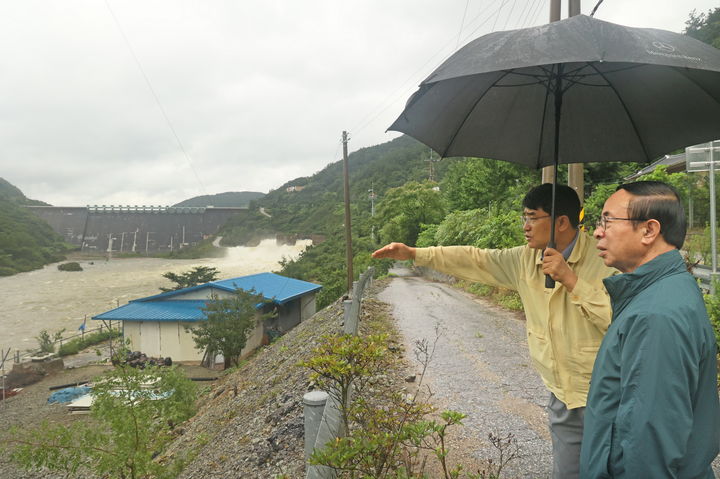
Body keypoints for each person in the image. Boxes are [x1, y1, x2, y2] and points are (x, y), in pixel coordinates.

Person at [372, 183, 616, 479]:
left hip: (607, 392)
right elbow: (476, 259)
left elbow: (616, 320)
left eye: (532, 217)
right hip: (562, 391)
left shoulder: (605, 258)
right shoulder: (526, 258)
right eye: (523, 218)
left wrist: (569, 278)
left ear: (562, 222)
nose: (525, 226)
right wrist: (414, 253)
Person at [580, 181, 720, 478]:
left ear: (649, 230)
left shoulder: (655, 315)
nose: (597, 231)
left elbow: (647, 450)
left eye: (608, 220)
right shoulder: (664, 290)